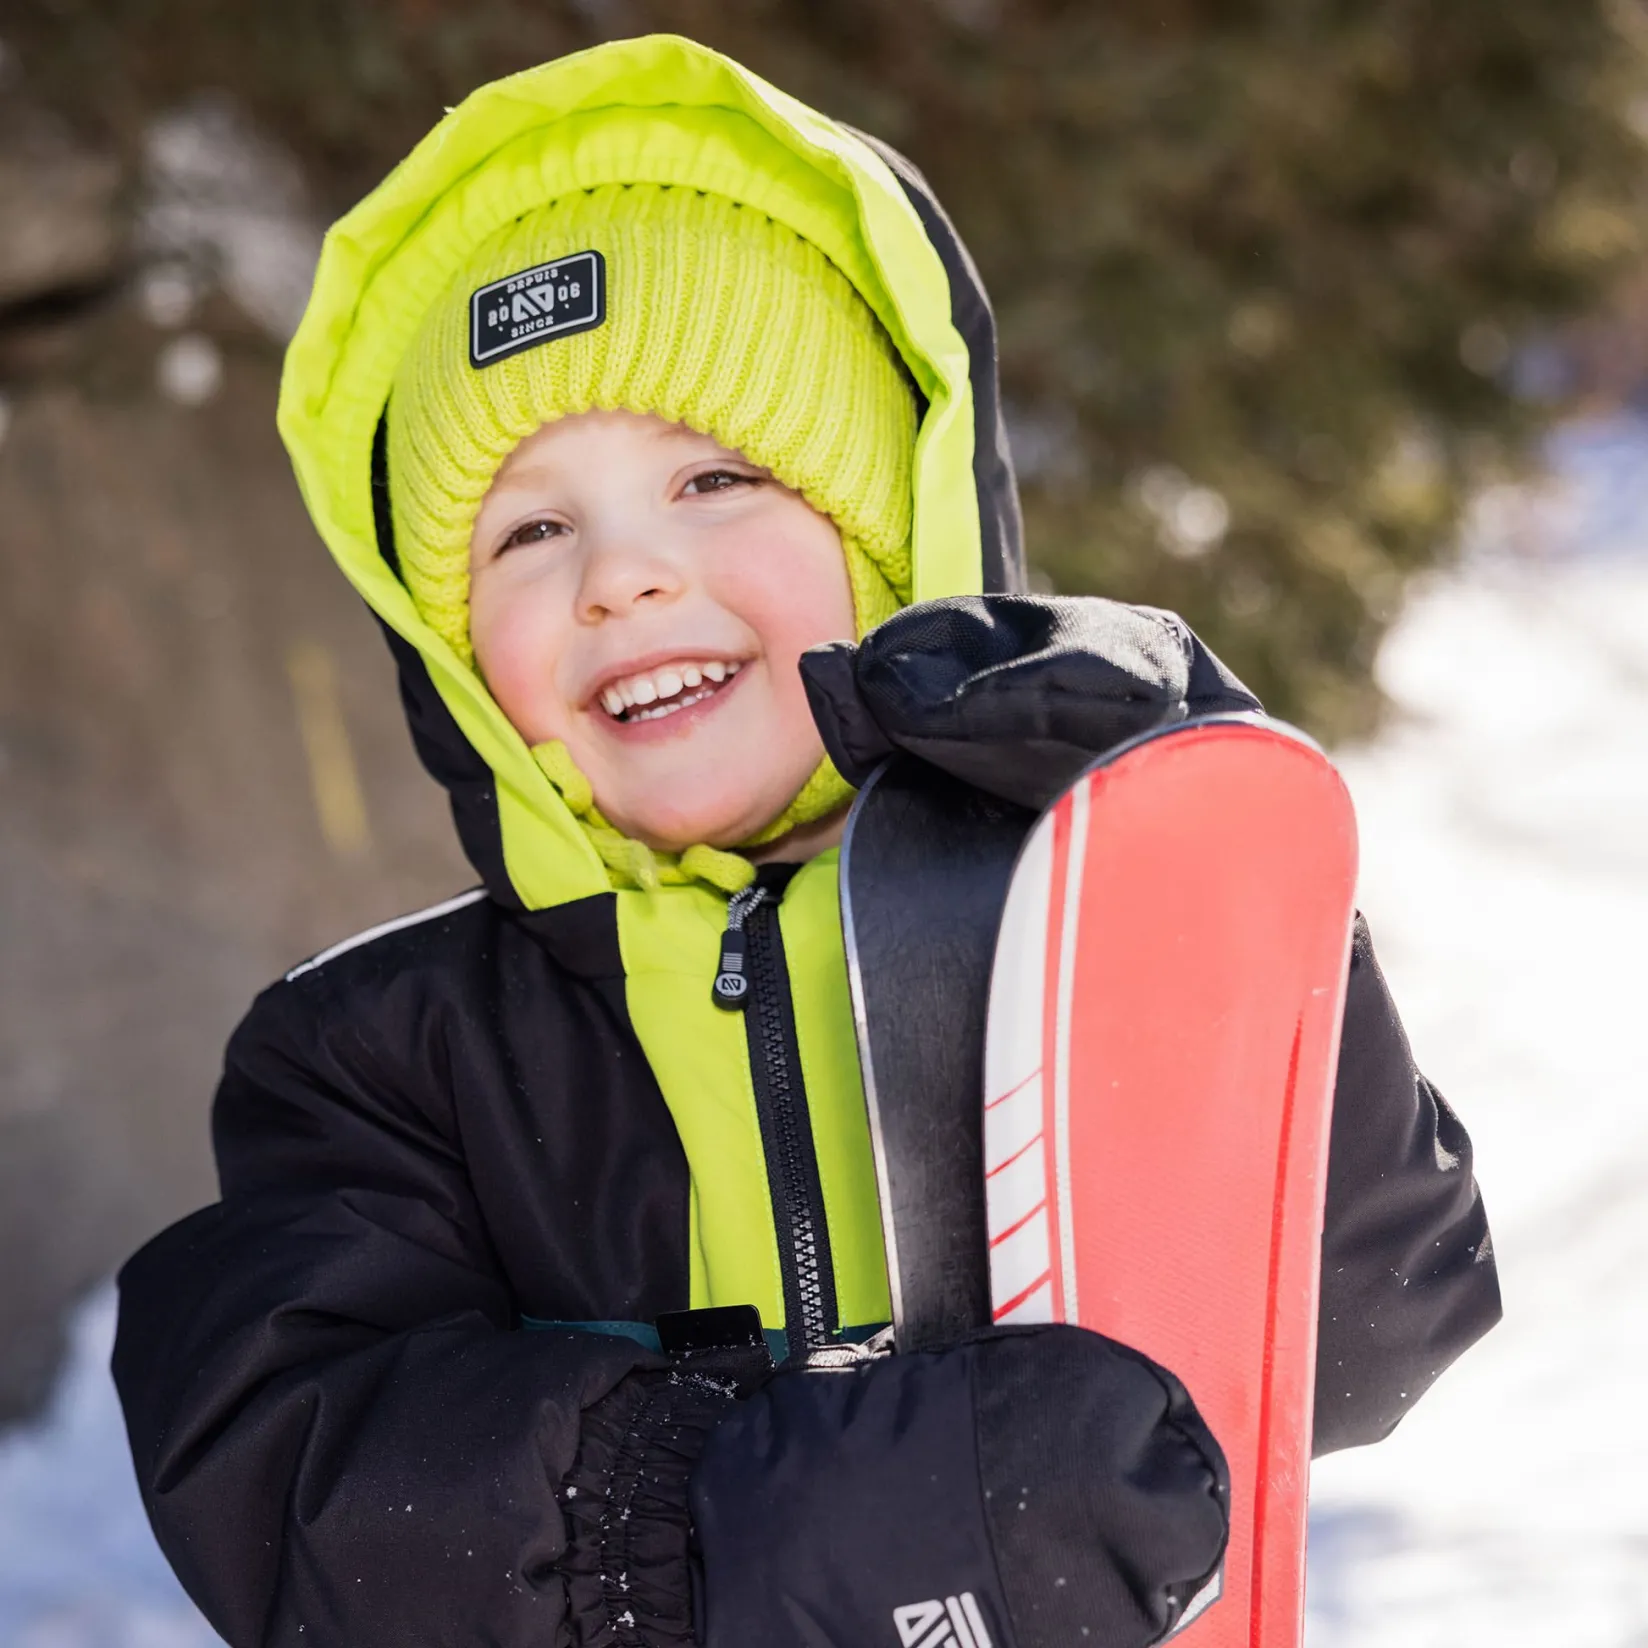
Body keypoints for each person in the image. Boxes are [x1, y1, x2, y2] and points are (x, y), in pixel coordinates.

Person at [112, 34, 1500, 1648]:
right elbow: (305, 1483)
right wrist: (768, 1515)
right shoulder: (380, 1059)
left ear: (892, 530)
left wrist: (1200, 890)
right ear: (454, 660)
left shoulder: (1046, 934)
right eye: (530, 530)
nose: (621, 576)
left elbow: (1372, 1329)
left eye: (717, 476)